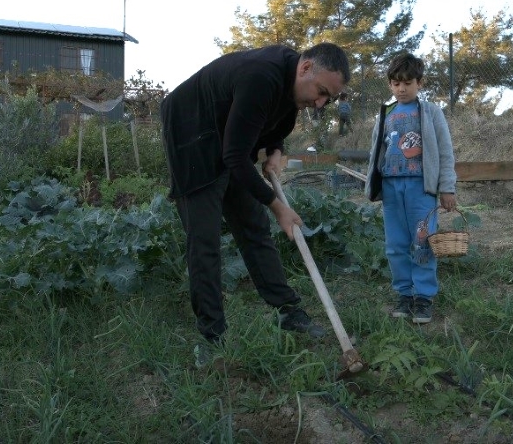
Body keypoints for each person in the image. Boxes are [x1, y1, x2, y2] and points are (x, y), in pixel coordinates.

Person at [160, 42, 351, 347]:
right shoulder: (262, 76)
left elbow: (274, 125)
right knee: (205, 239)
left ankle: (289, 312)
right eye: (321, 92)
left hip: (228, 139)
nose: (320, 104)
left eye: (328, 98)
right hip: (191, 135)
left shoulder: (295, 88)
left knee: (254, 227)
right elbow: (235, 157)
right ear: (305, 68)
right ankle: (213, 335)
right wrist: (278, 207)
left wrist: (276, 151)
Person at [364, 51, 457, 324]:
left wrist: (447, 188)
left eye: (407, 83)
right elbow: (375, 152)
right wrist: (372, 185)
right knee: (395, 244)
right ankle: (404, 294)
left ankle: (424, 297)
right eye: (395, 83)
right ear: (390, 85)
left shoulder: (430, 112)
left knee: (423, 241)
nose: (401, 88)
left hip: (421, 190)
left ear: (420, 83)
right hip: (392, 189)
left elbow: (444, 151)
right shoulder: (386, 113)